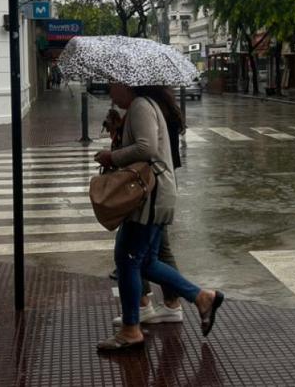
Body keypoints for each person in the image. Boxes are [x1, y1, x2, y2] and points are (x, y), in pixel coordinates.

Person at [94, 83, 224, 351]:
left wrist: (112, 156)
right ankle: (201, 297)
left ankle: (131, 330)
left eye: (112, 84)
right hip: (157, 194)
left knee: (127, 259)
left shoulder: (141, 105)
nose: (110, 91)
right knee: (146, 262)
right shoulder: (141, 106)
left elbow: (146, 148)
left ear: (126, 84)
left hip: (148, 198)